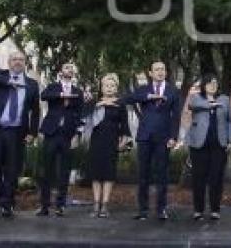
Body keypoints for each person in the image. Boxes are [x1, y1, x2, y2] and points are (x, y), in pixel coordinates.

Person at [0, 51, 40, 217]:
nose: (18, 62)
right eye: (14, 59)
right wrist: (10, 81)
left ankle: (7, 205)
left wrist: (33, 132)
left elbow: (35, 111)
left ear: (25, 63)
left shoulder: (32, 84)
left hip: (16, 132)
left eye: (21, 59)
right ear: (9, 62)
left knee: (12, 169)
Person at [124, 61, 181, 221]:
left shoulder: (173, 91)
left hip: (163, 138)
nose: (160, 72)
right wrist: (148, 97)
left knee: (162, 175)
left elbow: (176, 116)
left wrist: (173, 137)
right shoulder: (143, 90)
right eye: (157, 69)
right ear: (150, 73)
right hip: (145, 136)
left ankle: (161, 209)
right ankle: (142, 210)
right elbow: (129, 98)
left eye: (163, 69)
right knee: (143, 174)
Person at [37, 62, 85, 217]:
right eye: (66, 68)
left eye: (72, 68)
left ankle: (60, 205)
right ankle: (44, 206)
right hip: (51, 133)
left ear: (74, 73)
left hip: (68, 135)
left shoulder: (78, 91)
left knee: (64, 171)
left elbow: (80, 114)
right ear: (60, 71)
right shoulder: (53, 87)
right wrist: (60, 95)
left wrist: (77, 134)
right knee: (47, 170)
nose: (69, 70)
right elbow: (43, 96)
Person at [187, 74, 231, 221]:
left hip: (219, 144)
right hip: (199, 144)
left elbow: (230, 121)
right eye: (209, 83)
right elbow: (192, 105)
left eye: (215, 83)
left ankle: (215, 209)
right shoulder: (197, 98)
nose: (213, 85)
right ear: (204, 85)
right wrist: (210, 104)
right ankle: (198, 210)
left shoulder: (224, 100)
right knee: (198, 178)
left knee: (216, 178)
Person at [84, 73, 131, 218]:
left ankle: (105, 205)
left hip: (112, 141)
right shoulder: (94, 103)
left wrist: (124, 140)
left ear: (116, 88)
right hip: (96, 141)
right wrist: (101, 104)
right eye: (106, 85)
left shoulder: (120, 104)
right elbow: (84, 116)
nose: (109, 88)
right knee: (96, 174)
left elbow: (125, 125)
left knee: (109, 174)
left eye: (112, 86)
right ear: (101, 87)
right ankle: (96, 204)